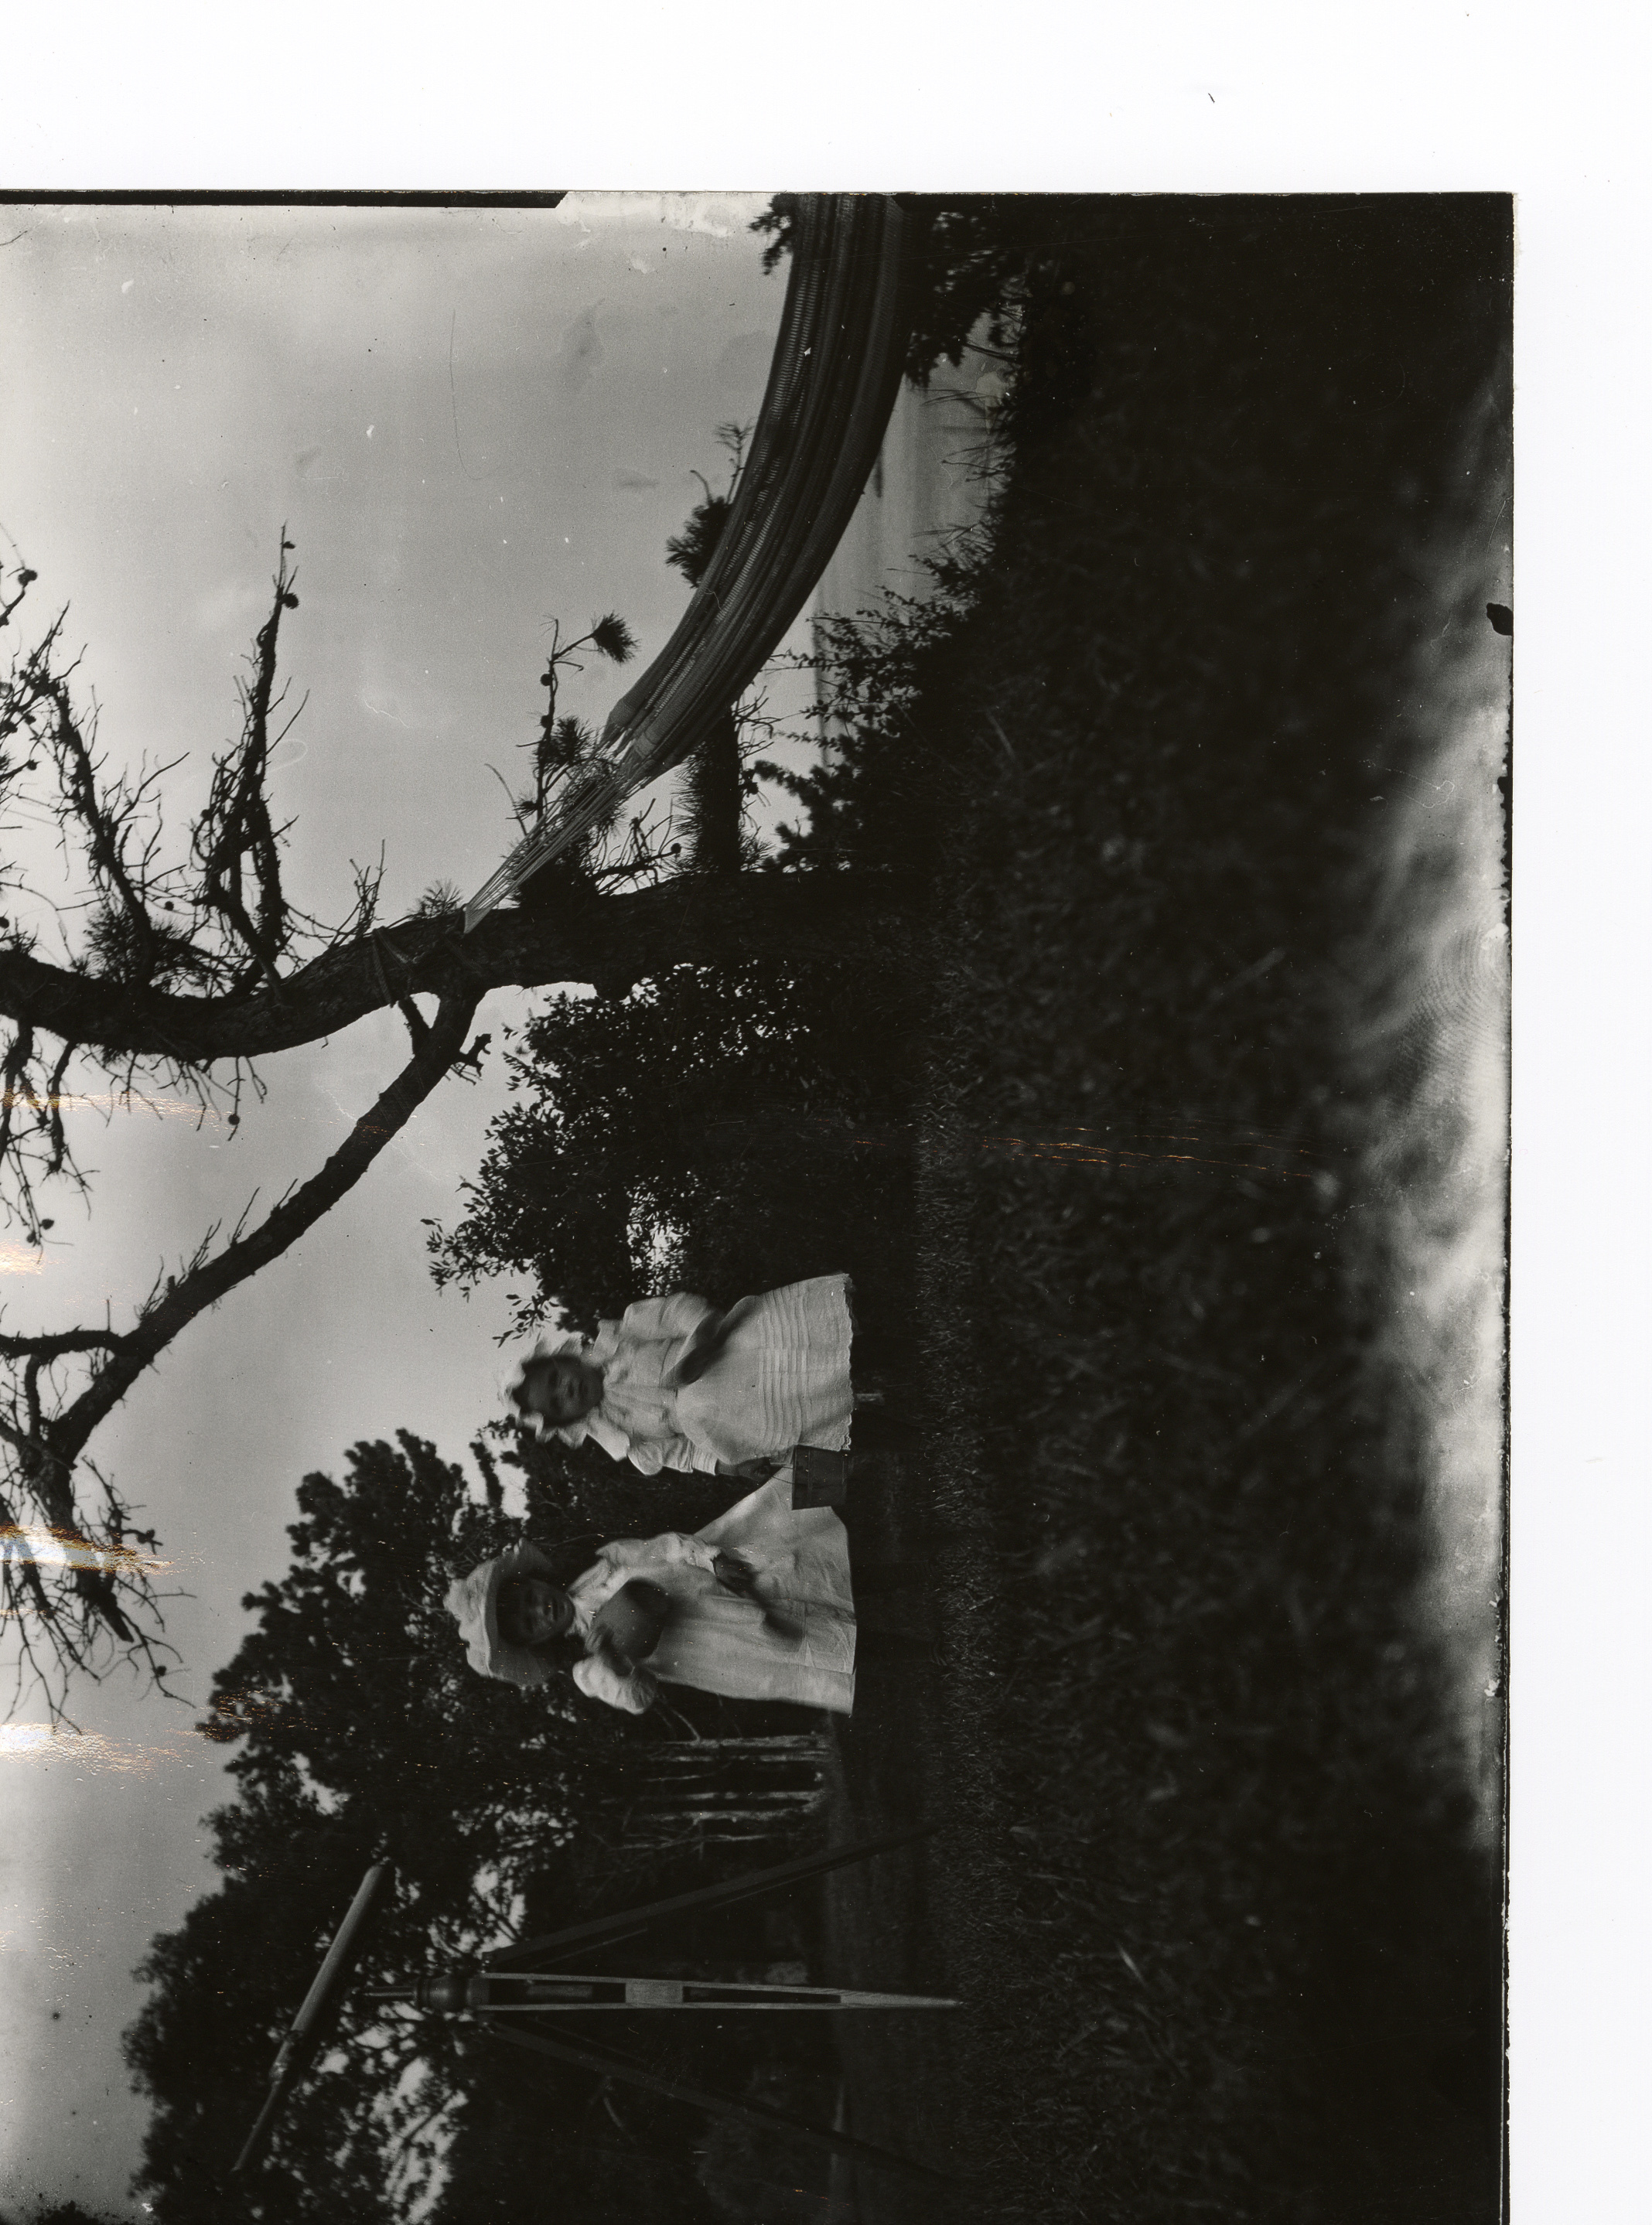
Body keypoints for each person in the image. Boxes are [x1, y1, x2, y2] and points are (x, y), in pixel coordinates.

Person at [445, 1466, 857, 1716]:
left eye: (528, 1599)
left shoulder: (604, 1564)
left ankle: (906, 1571)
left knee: (822, 1571)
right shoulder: (588, 1671)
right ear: (535, 1643)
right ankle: (912, 1648)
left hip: (729, 1582)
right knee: (820, 1646)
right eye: (529, 1624)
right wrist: (611, 1659)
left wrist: (711, 1558)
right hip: (726, 1647)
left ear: (535, 1580)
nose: (539, 1610)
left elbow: (669, 1547)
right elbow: (640, 1697)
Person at [503, 1274, 858, 1481]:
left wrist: (700, 1333)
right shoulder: (626, 1436)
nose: (566, 1390)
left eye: (555, 1380)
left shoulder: (624, 1338)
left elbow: (676, 1312)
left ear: (562, 1360)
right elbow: (684, 1452)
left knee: (841, 1348)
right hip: (743, 1420)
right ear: (569, 1420)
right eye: (558, 1403)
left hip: (739, 1357)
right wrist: (730, 1467)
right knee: (841, 1429)